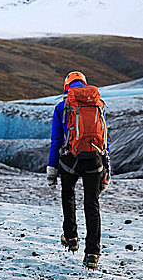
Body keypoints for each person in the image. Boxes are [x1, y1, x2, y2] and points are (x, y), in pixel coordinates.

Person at [46, 71, 111, 269]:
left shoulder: (61, 106)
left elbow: (56, 140)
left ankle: (71, 237)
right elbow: (105, 138)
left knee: (68, 195)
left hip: (70, 160)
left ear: (67, 86)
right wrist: (107, 168)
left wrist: (52, 169)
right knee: (92, 205)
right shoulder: (98, 104)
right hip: (95, 160)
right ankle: (92, 253)